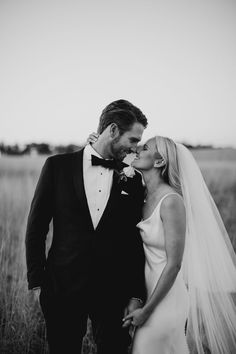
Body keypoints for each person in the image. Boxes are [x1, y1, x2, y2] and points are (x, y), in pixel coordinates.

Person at [25, 99, 148, 354]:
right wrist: (38, 282)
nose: (136, 148)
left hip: (114, 292)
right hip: (62, 289)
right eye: (133, 140)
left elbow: (134, 240)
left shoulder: (133, 179)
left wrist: (136, 295)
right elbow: (36, 229)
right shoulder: (57, 167)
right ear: (113, 131)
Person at [123, 136, 236, 354]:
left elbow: (174, 264)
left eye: (145, 147)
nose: (137, 149)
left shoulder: (171, 201)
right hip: (145, 294)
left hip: (165, 299)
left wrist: (147, 311)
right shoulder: (143, 195)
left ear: (158, 162)